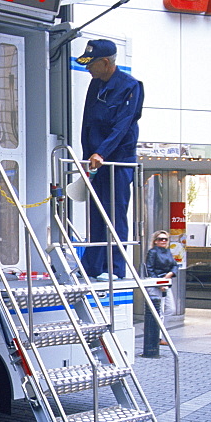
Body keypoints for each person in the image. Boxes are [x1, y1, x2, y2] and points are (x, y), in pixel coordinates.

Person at [76, 39, 144, 280]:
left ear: (106, 62)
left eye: (91, 64)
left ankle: (114, 267)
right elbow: (88, 123)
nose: (88, 69)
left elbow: (122, 126)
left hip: (117, 159)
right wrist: (87, 157)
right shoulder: (95, 84)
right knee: (95, 212)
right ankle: (92, 266)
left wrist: (102, 152)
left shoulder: (131, 86)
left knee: (114, 212)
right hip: (95, 160)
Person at [145, 230, 178, 346]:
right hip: (156, 284)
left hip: (166, 282)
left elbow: (175, 265)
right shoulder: (152, 252)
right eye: (160, 239)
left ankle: (157, 333)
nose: (163, 241)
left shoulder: (168, 251)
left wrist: (169, 275)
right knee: (160, 311)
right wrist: (159, 283)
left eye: (165, 239)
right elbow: (149, 269)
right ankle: (156, 337)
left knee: (170, 309)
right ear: (155, 241)